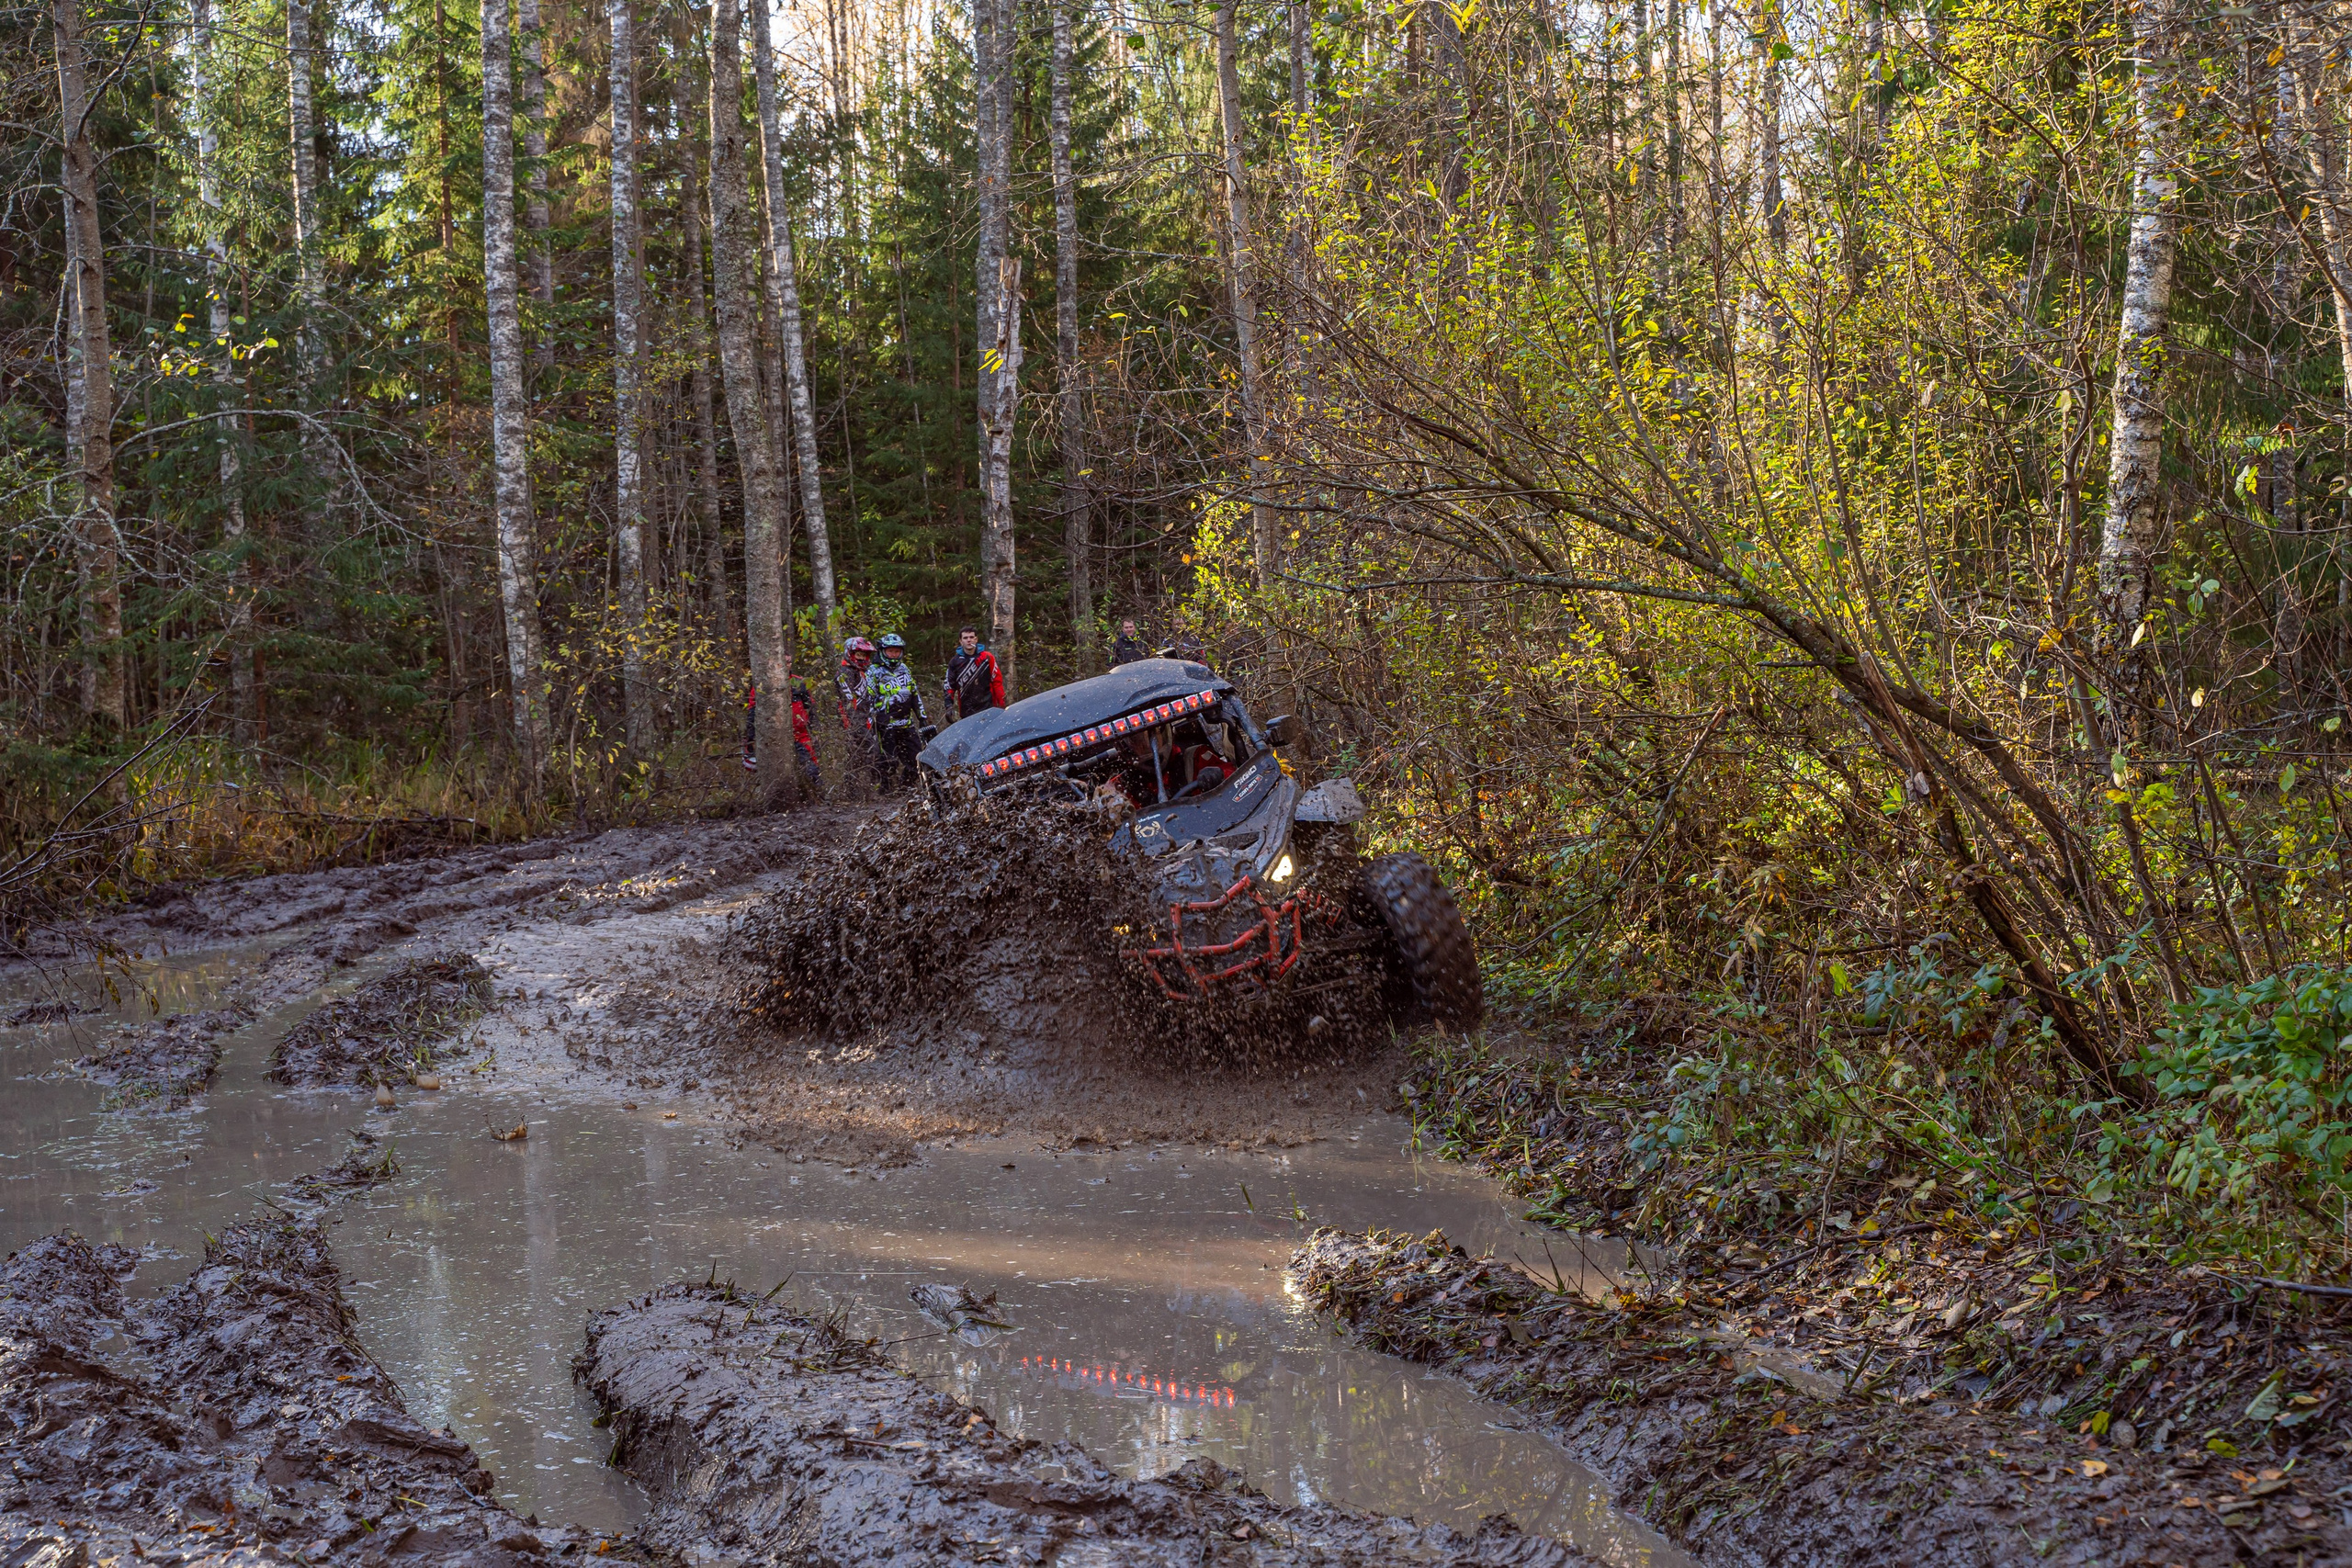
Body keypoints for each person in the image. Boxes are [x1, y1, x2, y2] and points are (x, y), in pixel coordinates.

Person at [860, 633, 929, 791]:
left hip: (906, 722)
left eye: (897, 652)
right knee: (888, 760)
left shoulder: (904, 669)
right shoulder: (873, 671)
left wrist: (922, 716)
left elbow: (914, 693)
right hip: (885, 723)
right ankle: (885, 789)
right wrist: (871, 720)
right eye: (890, 651)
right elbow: (868, 696)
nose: (894, 655)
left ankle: (906, 786)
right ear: (883, 651)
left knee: (916, 757)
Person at [741, 683, 823, 788]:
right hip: (774, 737)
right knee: (777, 771)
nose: (787, 665)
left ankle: (817, 792)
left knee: (811, 768)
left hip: (800, 735)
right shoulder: (762, 684)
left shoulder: (798, 682)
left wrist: (815, 731)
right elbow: (753, 711)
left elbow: (811, 708)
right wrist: (751, 738)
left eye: (788, 664)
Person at [835, 636, 878, 785]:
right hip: (853, 722)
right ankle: (857, 789)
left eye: (864, 655)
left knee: (861, 755)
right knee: (865, 752)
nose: (862, 658)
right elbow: (848, 700)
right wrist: (854, 725)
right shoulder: (844, 673)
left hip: (865, 719)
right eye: (858, 655)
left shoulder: (861, 672)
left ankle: (862, 789)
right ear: (850, 653)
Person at [943, 626, 1005, 721]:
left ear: (976, 639)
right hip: (966, 711)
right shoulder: (955, 662)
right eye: (965, 638)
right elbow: (949, 686)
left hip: (988, 708)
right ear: (960, 641)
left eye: (971, 637)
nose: (969, 640)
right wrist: (949, 706)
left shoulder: (987, 657)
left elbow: (997, 681)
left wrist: (1002, 705)